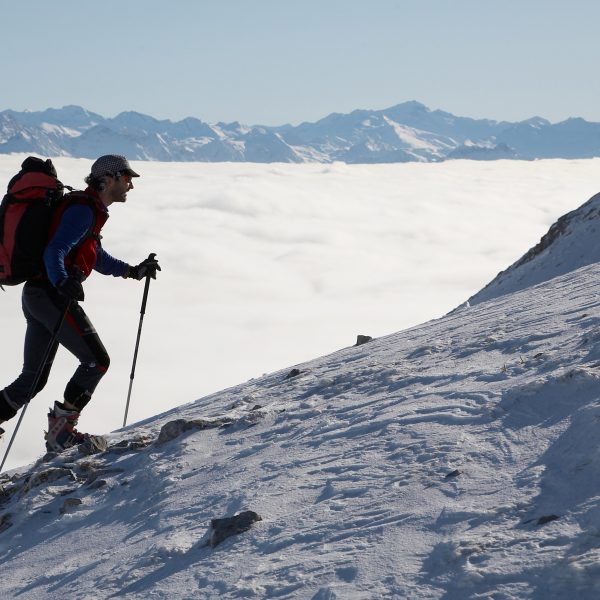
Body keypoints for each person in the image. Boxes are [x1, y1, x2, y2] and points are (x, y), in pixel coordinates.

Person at [0, 154, 160, 452]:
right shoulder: (83, 210)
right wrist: (62, 281)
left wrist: (132, 271)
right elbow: (55, 250)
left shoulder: (87, 209)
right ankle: (62, 433)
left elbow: (94, 255)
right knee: (96, 361)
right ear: (108, 179)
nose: (130, 186)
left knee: (32, 379)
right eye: (126, 178)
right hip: (51, 294)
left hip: (37, 294)